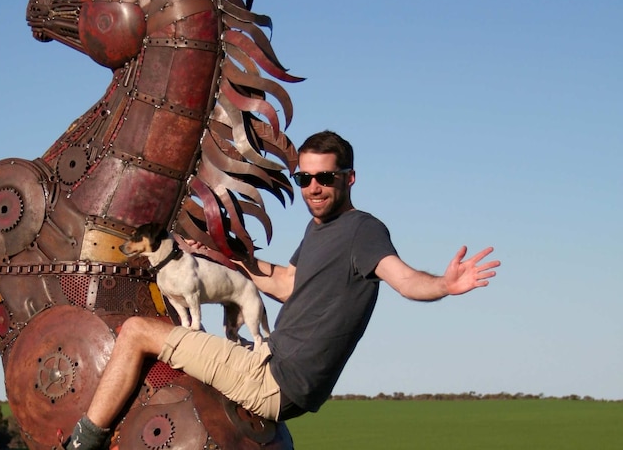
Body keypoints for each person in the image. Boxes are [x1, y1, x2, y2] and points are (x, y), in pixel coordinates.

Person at [65, 130, 499, 449]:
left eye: (325, 178)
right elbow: (286, 283)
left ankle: (81, 443)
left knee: (137, 332)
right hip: (272, 364)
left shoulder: (363, 231)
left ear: (349, 179)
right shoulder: (317, 231)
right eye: (303, 178)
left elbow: (403, 278)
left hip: (273, 379)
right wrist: (221, 260)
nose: (313, 187)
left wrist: (443, 284)